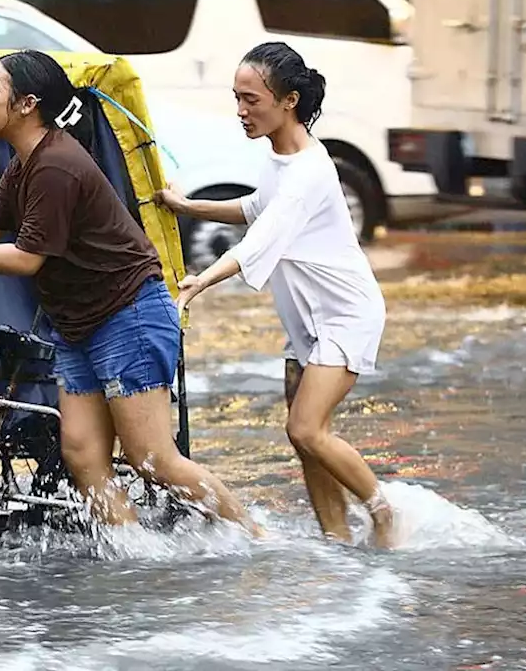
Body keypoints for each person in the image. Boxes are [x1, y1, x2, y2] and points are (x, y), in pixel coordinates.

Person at [0, 49, 262, 537]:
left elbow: (27, 258)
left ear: (27, 103)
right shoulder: (23, 163)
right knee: (82, 454)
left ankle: (257, 538)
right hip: (77, 326)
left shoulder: (56, 166)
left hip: (129, 315)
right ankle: (136, 556)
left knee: (151, 459)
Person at [156, 41, 397, 548]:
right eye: (237, 99)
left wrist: (201, 281)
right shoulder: (278, 159)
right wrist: (185, 206)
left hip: (345, 314)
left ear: (289, 100)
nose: (241, 112)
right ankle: (336, 539)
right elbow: (254, 208)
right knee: (308, 442)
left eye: (252, 100)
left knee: (306, 430)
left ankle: (384, 515)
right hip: (305, 320)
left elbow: (261, 238)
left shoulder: (309, 170)